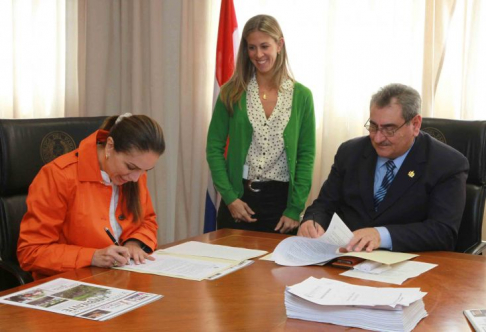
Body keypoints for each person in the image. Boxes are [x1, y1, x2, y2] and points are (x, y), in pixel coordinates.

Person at [298, 83, 469, 252]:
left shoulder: (447, 163)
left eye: (389, 129)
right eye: (373, 126)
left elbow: (443, 232)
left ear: (415, 124)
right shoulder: (350, 152)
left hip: (410, 264)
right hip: (346, 258)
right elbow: (324, 204)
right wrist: (313, 221)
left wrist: (382, 235)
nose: (378, 138)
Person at [17, 114, 165, 279]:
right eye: (130, 167)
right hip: (70, 282)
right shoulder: (58, 176)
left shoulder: (134, 174)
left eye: (145, 170)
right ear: (110, 146)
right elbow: (31, 252)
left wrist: (134, 243)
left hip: (119, 279)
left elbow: (147, 220)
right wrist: (92, 256)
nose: (136, 178)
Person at [206, 14, 315, 234]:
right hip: (238, 200)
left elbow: (306, 155)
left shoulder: (302, 96)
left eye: (264, 46)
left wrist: (295, 209)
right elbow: (214, 148)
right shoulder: (231, 92)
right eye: (251, 47)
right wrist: (230, 198)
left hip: (281, 207)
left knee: (275, 268)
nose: (258, 54)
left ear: (279, 45)